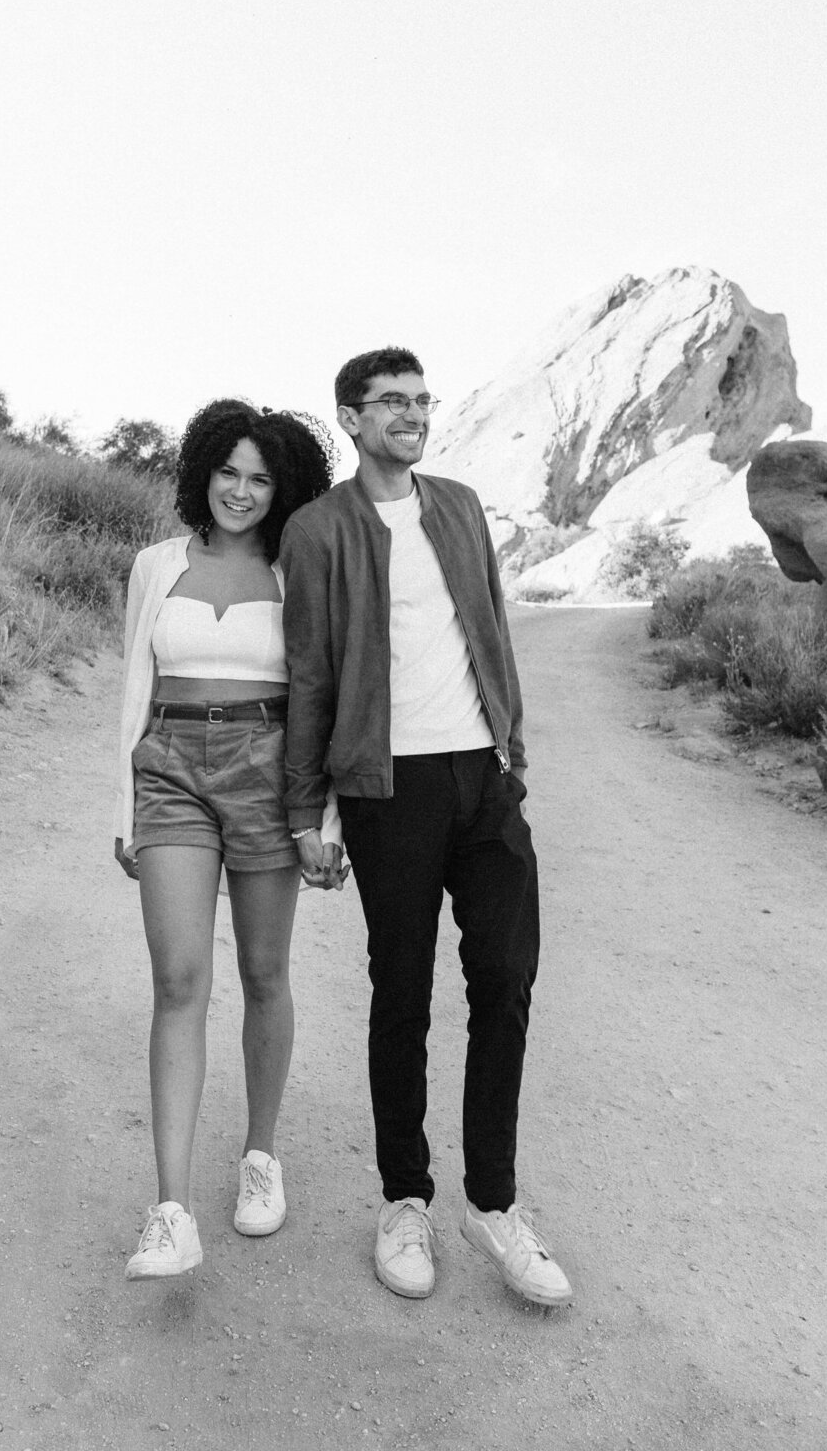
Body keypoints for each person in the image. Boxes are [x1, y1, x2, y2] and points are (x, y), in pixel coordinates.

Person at [278, 347, 574, 1307]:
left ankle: (496, 1204)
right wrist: (306, 811)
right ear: (350, 417)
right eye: (390, 402)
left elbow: (490, 623)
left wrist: (512, 752)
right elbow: (312, 675)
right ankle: (404, 1197)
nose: (410, 414)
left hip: (481, 778)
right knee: (401, 994)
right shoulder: (319, 530)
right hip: (386, 790)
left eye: (419, 400)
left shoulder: (459, 504)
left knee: (506, 976)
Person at [113, 398, 340, 1280]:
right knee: (177, 979)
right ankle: (170, 1211)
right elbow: (133, 686)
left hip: (269, 767)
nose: (240, 492)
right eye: (227, 472)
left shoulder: (298, 570)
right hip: (168, 764)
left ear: (283, 490)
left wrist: (324, 815)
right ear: (200, 471)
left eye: (260, 478)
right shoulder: (155, 565)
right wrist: (121, 805)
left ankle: (260, 1156)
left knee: (262, 971)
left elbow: (325, 693)